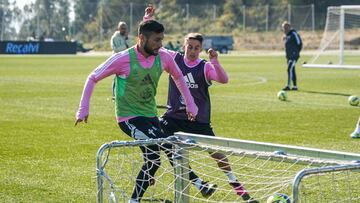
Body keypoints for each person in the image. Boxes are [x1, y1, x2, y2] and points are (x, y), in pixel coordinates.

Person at [75, 19, 199, 203]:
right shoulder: (123, 59)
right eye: (156, 40)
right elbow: (93, 77)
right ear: (142, 38)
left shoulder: (163, 56)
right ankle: (198, 182)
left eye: (161, 39)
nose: (160, 44)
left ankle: (134, 200)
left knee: (154, 159)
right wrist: (83, 109)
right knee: (166, 143)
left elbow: (179, 76)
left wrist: (190, 104)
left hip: (150, 115)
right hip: (129, 118)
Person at [144, 5, 258, 203]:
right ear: (183, 46)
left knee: (217, 155)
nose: (193, 51)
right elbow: (153, 43)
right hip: (174, 117)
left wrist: (215, 61)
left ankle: (239, 189)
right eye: (190, 47)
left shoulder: (204, 67)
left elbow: (223, 79)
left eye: (197, 48)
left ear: (201, 49)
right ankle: (163, 176)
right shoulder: (173, 58)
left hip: (198, 120)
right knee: (158, 141)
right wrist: (148, 18)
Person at [281, 21, 302, 91]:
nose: (284, 29)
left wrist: (296, 53)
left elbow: (299, 43)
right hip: (289, 56)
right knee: (292, 70)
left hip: (294, 56)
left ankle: (288, 86)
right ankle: (295, 86)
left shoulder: (294, 34)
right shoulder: (287, 36)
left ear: (289, 27)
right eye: (283, 28)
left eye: (286, 28)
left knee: (289, 69)